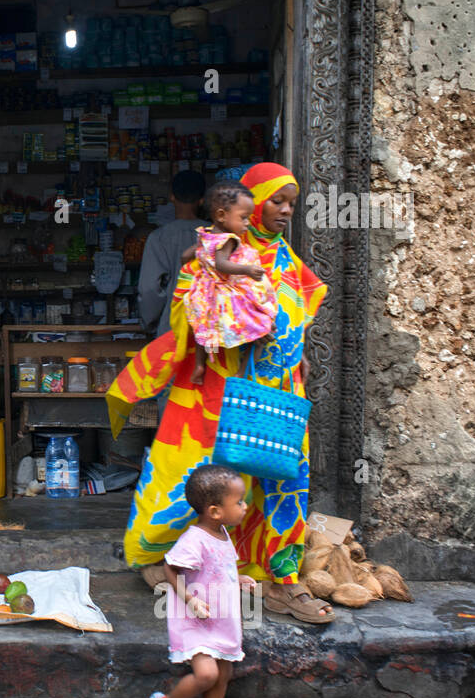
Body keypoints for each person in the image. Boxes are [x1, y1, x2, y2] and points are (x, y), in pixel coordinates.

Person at [106, 162, 332, 624]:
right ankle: (165, 558)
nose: (286, 210)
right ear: (244, 204)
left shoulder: (282, 254)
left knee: (287, 484)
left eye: (292, 202)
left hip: (281, 394)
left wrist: (298, 350)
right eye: (276, 201)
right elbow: (187, 307)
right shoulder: (219, 251)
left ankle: (281, 581)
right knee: (205, 480)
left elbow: (294, 307)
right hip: (223, 394)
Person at [149, 463, 254, 698]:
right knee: (207, 674)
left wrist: (239, 578)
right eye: (240, 501)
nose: (245, 506)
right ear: (215, 511)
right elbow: (169, 569)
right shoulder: (195, 539)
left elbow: (218, 569)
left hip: (221, 620)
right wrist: (190, 599)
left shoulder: (222, 533)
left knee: (224, 674)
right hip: (197, 621)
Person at [181, 181, 277, 384]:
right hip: (224, 294)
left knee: (202, 330)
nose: (248, 223)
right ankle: (242, 372)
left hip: (204, 292)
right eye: (243, 218)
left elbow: (185, 256)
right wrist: (247, 270)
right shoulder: (229, 239)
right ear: (222, 215)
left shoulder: (205, 236)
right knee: (263, 326)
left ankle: (200, 365)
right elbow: (221, 264)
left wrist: (199, 265)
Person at [138, 169, 207, 339]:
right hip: (209, 330)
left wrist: (149, 323)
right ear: (201, 200)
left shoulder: (159, 238)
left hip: (171, 330)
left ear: (172, 197)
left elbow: (150, 289)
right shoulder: (216, 235)